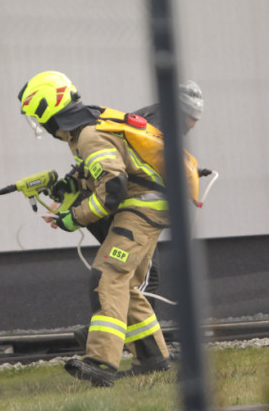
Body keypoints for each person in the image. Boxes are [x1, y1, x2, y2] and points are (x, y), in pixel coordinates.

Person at [17, 70, 173, 387]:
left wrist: (74, 217)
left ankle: (101, 363)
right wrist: (71, 185)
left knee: (107, 276)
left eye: (36, 115)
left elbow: (113, 188)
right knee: (126, 285)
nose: (39, 125)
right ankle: (153, 360)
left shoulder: (87, 135)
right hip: (149, 203)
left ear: (48, 109)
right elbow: (101, 172)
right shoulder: (88, 126)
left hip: (141, 206)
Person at [68, 81, 205, 358]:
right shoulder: (165, 121)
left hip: (125, 204)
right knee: (132, 279)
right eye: (193, 119)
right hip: (130, 206)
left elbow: (146, 160)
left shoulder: (153, 116)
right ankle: (112, 345)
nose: (193, 125)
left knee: (129, 278)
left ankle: (150, 354)